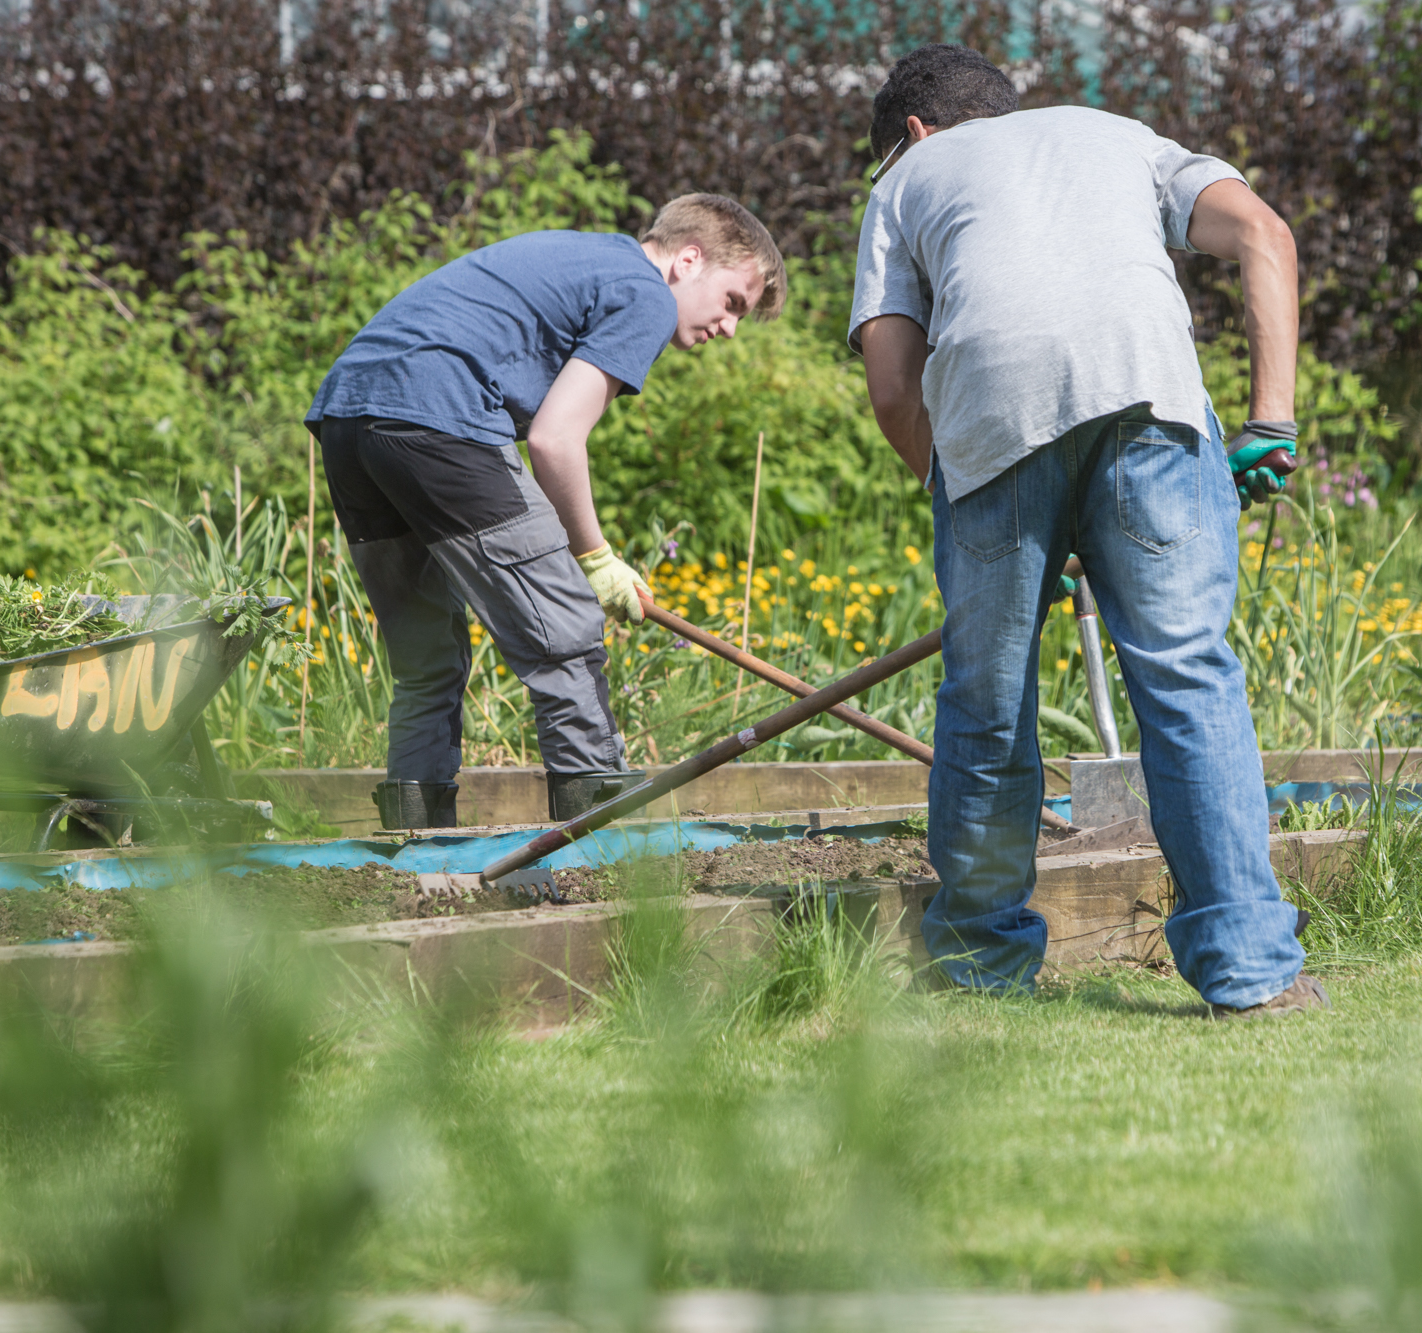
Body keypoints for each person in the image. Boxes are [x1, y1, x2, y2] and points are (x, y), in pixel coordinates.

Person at [850, 44, 1325, 1016]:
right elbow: (1264, 236)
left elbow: (894, 386)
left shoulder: (904, 182)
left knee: (987, 701)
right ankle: (1249, 972)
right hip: (1147, 398)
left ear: (910, 132)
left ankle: (979, 968)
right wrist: (1269, 418)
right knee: (1187, 675)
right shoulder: (1116, 135)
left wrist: (968, 500)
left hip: (987, 421)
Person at [307, 196, 786, 828]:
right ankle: (599, 837)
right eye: (732, 303)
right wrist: (596, 561)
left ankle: (416, 834)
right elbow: (555, 440)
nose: (728, 329)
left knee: (427, 652)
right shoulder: (644, 290)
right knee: (566, 629)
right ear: (688, 260)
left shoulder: (586, 255)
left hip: (348, 414)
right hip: (437, 411)